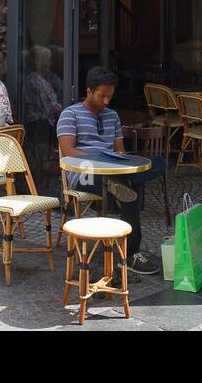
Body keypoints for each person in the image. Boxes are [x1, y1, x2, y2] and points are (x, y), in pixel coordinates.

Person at [57, 67, 167, 275]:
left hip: (113, 169)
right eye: (102, 96)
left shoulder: (112, 116)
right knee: (129, 194)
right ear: (89, 91)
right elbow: (68, 151)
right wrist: (101, 160)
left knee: (158, 162)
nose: (106, 101)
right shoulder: (69, 114)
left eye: (110, 96)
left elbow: (119, 150)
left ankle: (123, 183)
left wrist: (122, 160)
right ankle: (131, 253)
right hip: (85, 173)